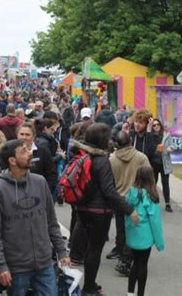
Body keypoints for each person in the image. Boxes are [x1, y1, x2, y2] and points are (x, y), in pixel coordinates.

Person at [0, 139, 69, 295]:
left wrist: (62, 251)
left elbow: (51, 221)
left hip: (45, 264)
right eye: (23, 151)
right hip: (16, 268)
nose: (30, 153)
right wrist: (1, 265)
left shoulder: (40, 182)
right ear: (12, 160)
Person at [70, 123, 137, 295]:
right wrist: (129, 209)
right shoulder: (101, 161)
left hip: (82, 208)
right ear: (102, 139)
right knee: (94, 250)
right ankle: (89, 287)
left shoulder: (82, 155)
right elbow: (109, 190)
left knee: (86, 250)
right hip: (99, 212)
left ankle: (86, 284)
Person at [107, 131, 151, 276]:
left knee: (121, 229)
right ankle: (127, 259)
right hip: (136, 198)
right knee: (134, 230)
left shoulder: (112, 159)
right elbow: (149, 177)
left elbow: (109, 181)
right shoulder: (141, 157)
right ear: (131, 141)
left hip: (118, 199)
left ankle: (121, 252)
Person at [125, 166, 165, 296]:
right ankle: (140, 293)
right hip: (145, 236)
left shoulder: (130, 193)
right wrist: (159, 243)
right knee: (142, 264)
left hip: (133, 235)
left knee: (135, 263)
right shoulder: (151, 197)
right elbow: (155, 222)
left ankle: (130, 292)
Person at [16, 123, 57, 192]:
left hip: (38, 192)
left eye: (27, 135)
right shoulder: (10, 151)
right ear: (17, 135)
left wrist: (45, 191)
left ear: (34, 136)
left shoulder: (43, 151)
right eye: (21, 134)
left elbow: (51, 174)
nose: (24, 137)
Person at [150, 118, 174, 212]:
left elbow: (172, 145)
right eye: (154, 125)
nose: (156, 126)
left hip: (164, 162)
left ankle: (167, 204)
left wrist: (170, 149)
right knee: (152, 183)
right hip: (153, 163)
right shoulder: (150, 136)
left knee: (165, 183)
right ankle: (153, 200)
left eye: (158, 125)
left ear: (160, 125)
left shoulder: (166, 135)